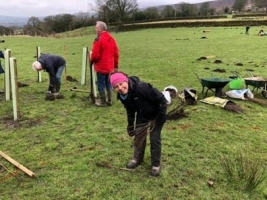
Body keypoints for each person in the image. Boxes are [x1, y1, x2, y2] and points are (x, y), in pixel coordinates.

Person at [109, 72, 167, 176]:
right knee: (139, 137)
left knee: (154, 139)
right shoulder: (123, 96)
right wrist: (130, 125)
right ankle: (137, 159)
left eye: (121, 84)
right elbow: (130, 111)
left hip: (156, 115)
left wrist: (161, 116)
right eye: (116, 87)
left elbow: (161, 99)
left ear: (126, 80)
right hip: (142, 115)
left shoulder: (141, 88)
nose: (120, 88)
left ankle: (155, 164)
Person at [90, 21, 119, 107]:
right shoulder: (111, 38)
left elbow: (95, 54)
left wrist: (92, 61)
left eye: (96, 27)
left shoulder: (99, 39)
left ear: (100, 28)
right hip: (110, 67)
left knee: (100, 84)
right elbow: (116, 53)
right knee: (108, 83)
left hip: (101, 66)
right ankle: (109, 100)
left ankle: (102, 102)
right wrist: (115, 66)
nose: (95, 29)